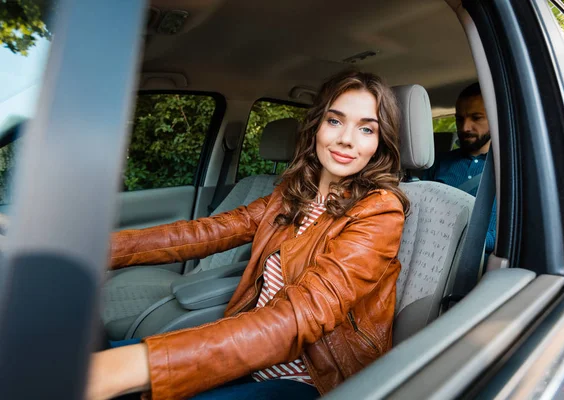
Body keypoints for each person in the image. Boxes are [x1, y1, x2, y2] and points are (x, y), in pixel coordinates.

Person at [86, 69, 409, 400]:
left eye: (366, 129)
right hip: (250, 356)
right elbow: (206, 233)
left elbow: (301, 317)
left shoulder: (380, 212)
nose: (346, 139)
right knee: (86, 363)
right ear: (316, 127)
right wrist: (98, 248)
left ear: (379, 143)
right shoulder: (293, 194)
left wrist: (147, 364)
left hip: (310, 377)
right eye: (335, 121)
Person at [423, 82, 496, 253]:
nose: (465, 128)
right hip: (432, 258)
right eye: (460, 119)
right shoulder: (438, 162)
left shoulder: (509, 170)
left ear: (494, 118)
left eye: (476, 118)